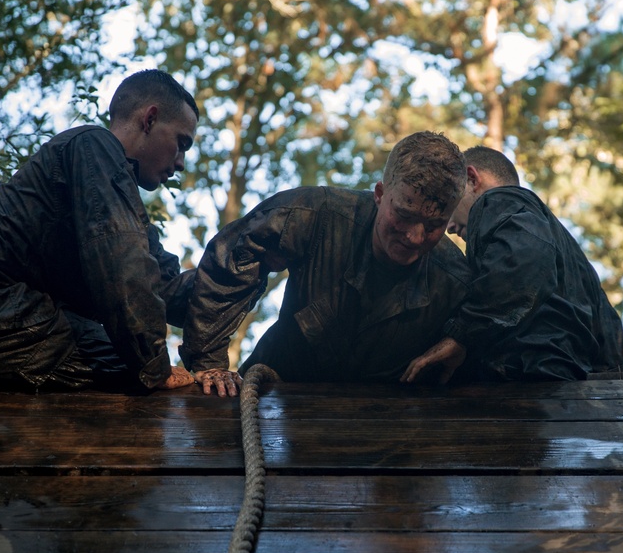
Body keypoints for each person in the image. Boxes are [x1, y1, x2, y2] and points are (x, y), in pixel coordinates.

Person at [0, 69, 240, 396]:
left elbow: (165, 290)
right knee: (148, 373)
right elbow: (124, 271)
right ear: (149, 119)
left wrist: (247, 261)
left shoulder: (119, 207)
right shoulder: (93, 147)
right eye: (181, 143)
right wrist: (154, 368)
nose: (180, 162)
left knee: (137, 362)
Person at [178, 131, 470, 383]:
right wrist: (209, 362)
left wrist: (462, 337)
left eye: (434, 226)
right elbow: (230, 261)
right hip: (274, 391)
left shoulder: (455, 281)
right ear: (380, 194)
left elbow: (503, 320)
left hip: (380, 425)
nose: (415, 237)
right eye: (404, 216)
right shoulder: (315, 217)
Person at [401, 145, 623, 384]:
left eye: (450, 203)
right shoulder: (574, 258)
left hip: (527, 382)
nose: (448, 226)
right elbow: (618, 352)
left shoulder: (499, 199)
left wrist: (460, 335)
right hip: (573, 395)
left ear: (471, 179)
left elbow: (522, 262)